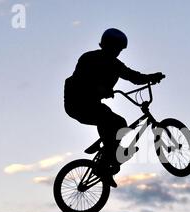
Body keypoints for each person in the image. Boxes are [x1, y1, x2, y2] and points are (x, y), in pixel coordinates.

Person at [64, 28, 165, 188]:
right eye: (115, 48)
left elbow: (134, 76)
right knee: (109, 118)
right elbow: (81, 80)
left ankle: (108, 163)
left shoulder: (116, 65)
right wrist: (99, 89)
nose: (117, 52)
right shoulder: (89, 58)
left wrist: (151, 78)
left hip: (92, 104)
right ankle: (110, 156)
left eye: (119, 49)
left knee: (117, 122)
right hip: (77, 102)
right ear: (106, 45)